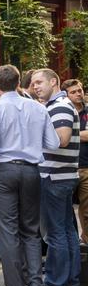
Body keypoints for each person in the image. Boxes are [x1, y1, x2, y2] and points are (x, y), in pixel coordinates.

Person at [0, 65, 60, 286]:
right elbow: (53, 143)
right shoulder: (38, 108)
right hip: (31, 171)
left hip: (4, 170)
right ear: (18, 82)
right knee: (31, 232)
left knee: (7, 232)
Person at [29, 69, 81, 286]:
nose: (35, 87)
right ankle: (70, 279)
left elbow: (62, 139)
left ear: (54, 81)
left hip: (54, 176)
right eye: (33, 83)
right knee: (67, 230)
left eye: (39, 82)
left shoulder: (59, 105)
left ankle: (55, 281)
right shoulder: (59, 105)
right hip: (63, 175)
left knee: (55, 231)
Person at [62, 78, 88, 244]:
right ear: (66, 95)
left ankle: (86, 241)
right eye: (73, 92)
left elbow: (64, 136)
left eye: (80, 90)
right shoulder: (63, 111)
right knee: (64, 209)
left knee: (87, 210)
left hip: (86, 167)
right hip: (66, 168)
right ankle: (70, 244)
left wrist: (68, 134)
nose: (79, 94)